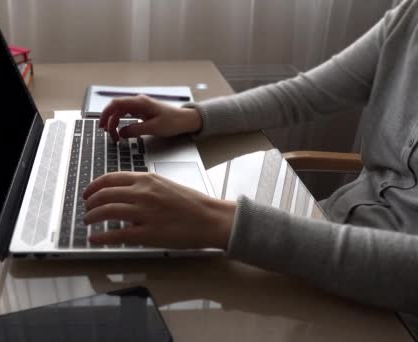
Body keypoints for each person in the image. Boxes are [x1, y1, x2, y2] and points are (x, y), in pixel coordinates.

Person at [83, 0, 418, 314]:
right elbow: (302, 96)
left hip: (392, 310)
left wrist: (220, 221)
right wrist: (193, 117)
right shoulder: (409, 17)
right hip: (327, 237)